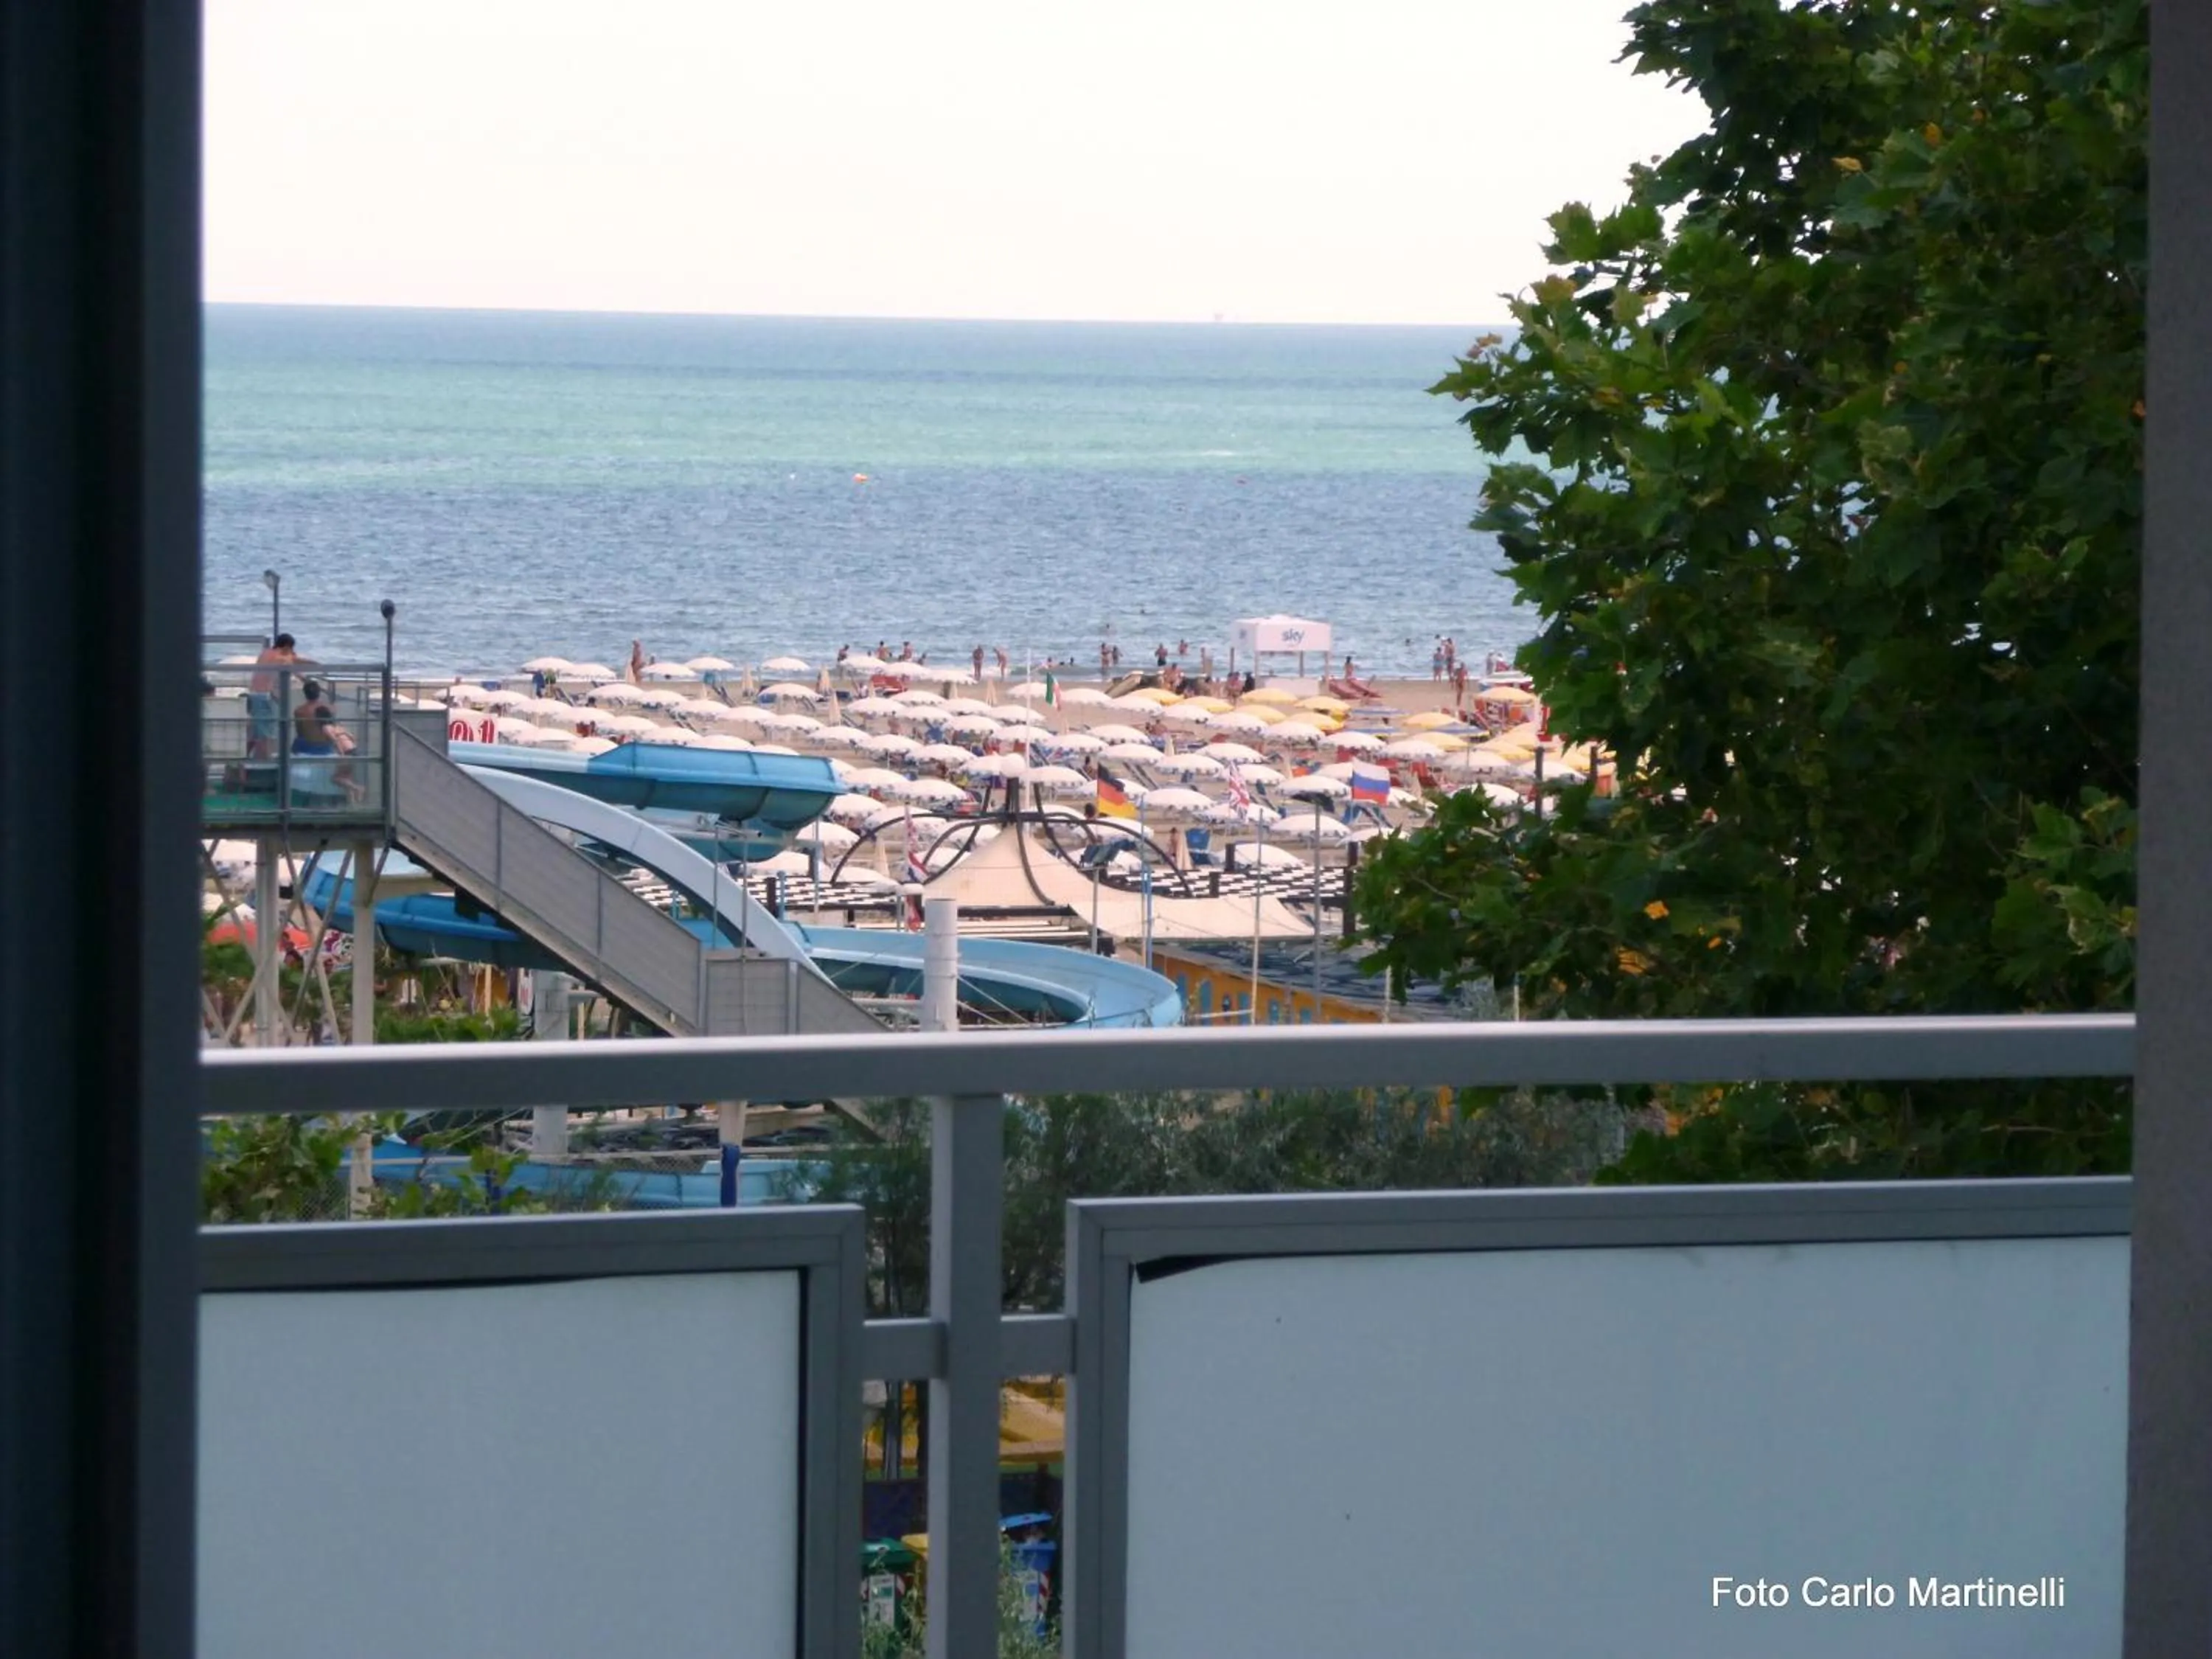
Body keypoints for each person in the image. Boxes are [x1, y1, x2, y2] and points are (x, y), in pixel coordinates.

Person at [247, 633, 299, 758]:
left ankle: (242, 761)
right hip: (264, 697)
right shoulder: (279, 657)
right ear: (287, 646)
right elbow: (295, 662)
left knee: (255, 733)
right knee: (266, 736)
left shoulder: (265, 653)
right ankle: (266, 766)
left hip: (254, 695)